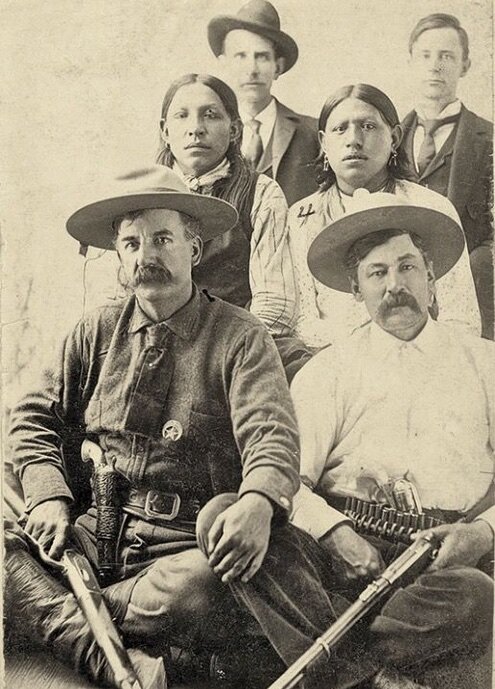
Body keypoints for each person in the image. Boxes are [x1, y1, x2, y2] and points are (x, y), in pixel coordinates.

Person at [6, 165, 386, 689]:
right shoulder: (94, 330)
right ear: (119, 257)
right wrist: (49, 497)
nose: (146, 256)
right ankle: (113, 659)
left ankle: (52, 614)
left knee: (208, 588)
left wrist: (257, 503)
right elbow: (33, 417)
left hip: (182, 551)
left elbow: (271, 437)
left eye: (163, 239)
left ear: (194, 249)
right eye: (131, 243)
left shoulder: (241, 336)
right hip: (90, 537)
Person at [290, 190, 494, 689]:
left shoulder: (485, 362)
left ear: (431, 276)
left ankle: (338, 666)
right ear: (356, 289)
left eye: (407, 268)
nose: (395, 286)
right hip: (344, 552)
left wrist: (484, 533)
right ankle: (376, 676)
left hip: (446, 559)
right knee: (240, 526)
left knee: (476, 595)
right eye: (377, 273)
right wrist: (335, 534)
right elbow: (286, 482)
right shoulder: (326, 372)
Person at [288, 83, 481, 349]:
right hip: (337, 359)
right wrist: (368, 351)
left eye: (368, 126)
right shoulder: (301, 219)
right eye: (340, 128)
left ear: (394, 137)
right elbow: (302, 322)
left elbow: (462, 319)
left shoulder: (431, 208)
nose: (353, 139)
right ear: (323, 142)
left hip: (424, 356)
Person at [156, 72, 309, 380]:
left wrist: (227, 353)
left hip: (239, 345)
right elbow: (119, 293)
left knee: (305, 373)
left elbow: (275, 302)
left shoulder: (261, 192)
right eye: (182, 116)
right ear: (166, 131)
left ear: (235, 129)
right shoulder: (144, 196)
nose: (196, 128)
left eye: (210, 115)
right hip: (160, 345)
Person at [401, 13, 493, 340]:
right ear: (411, 62)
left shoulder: (489, 139)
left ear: (465, 65)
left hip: (473, 299)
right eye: (425, 56)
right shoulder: (390, 138)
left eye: (446, 56)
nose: (435, 67)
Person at [207, 0, 319, 206]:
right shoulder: (207, 134)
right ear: (224, 65)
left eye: (262, 57)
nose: (252, 69)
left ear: (278, 67)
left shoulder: (313, 134)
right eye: (241, 56)